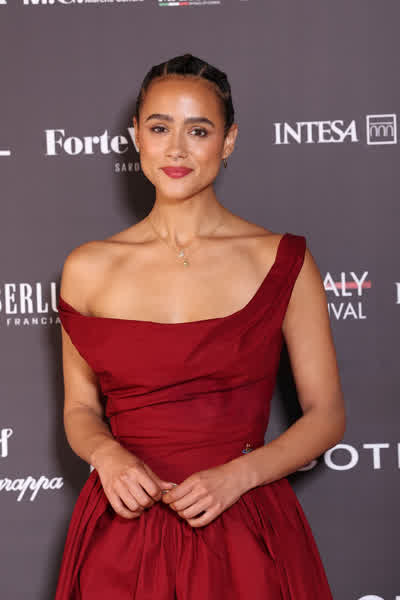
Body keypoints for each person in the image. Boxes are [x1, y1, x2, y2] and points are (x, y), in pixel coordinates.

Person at [55, 53, 345, 599]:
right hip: (122, 530)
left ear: (228, 141)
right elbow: (79, 410)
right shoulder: (86, 268)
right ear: (136, 135)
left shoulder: (280, 259)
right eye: (159, 128)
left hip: (244, 525)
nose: (177, 149)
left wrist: (238, 476)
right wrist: (108, 456)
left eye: (199, 130)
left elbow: (326, 415)